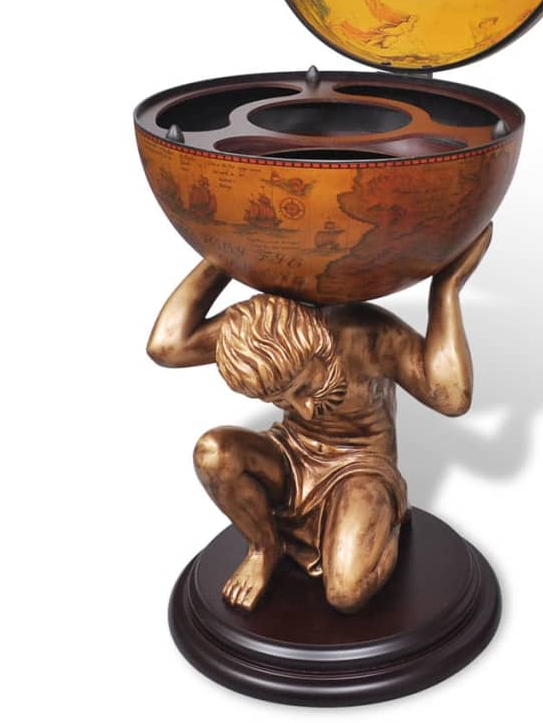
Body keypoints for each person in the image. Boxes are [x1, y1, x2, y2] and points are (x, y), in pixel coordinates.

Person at [146, 224, 492, 613]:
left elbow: (452, 396)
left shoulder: (365, 336)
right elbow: (167, 346)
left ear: (320, 346)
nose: (306, 409)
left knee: (346, 594)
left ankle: (385, 520)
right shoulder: (264, 331)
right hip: (292, 455)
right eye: (281, 399)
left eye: (308, 386)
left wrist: (445, 293)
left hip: (359, 467)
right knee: (214, 452)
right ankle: (265, 547)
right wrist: (224, 252)